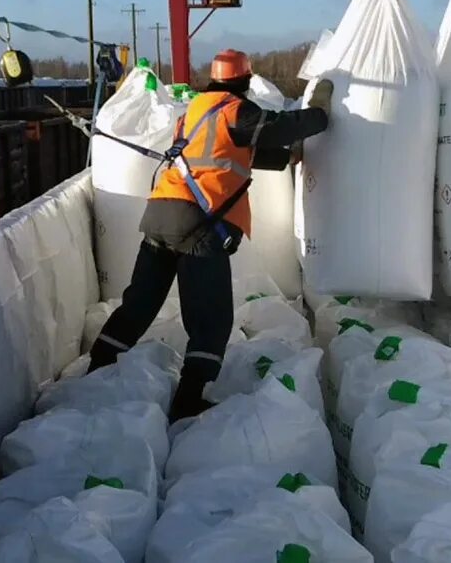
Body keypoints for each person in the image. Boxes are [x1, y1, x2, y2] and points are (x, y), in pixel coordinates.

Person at [87, 49, 333, 421]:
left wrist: (286, 158)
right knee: (211, 317)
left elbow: (230, 153)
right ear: (245, 82)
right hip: (198, 225)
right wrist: (320, 112)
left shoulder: (195, 113)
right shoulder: (237, 110)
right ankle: (188, 399)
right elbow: (280, 126)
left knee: (140, 302)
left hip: (160, 212)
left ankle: (97, 370)